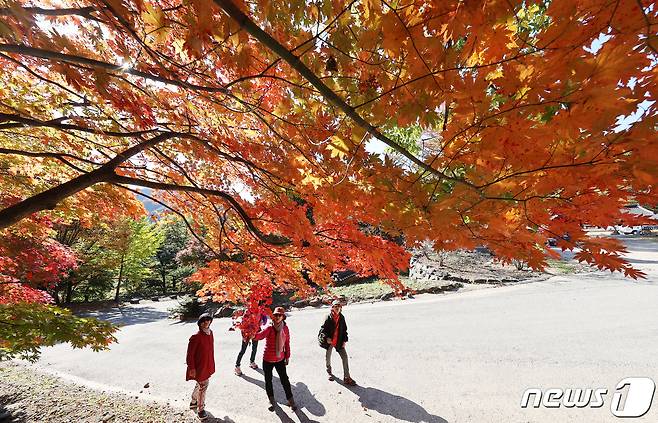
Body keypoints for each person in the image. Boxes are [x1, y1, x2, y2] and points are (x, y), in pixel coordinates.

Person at [254, 306, 297, 411]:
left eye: (280, 315)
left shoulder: (285, 329)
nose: (277, 317)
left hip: (280, 359)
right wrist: (251, 333)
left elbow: (287, 343)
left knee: (285, 380)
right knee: (268, 380)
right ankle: (271, 399)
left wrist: (287, 356)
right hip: (268, 359)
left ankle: (290, 400)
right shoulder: (269, 328)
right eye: (276, 315)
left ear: (283, 317)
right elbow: (258, 336)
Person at [186, 313, 215, 420]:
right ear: (199, 323)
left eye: (208, 320)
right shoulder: (195, 337)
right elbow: (190, 355)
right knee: (204, 386)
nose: (206, 322)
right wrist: (192, 368)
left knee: (200, 384)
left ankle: (193, 401)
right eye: (204, 321)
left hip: (208, 364)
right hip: (199, 367)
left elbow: (210, 350)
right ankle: (201, 410)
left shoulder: (210, 333)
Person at [321, 300, 356, 386]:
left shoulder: (342, 317)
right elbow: (323, 330)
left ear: (341, 308)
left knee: (345, 357)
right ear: (332, 308)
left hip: (339, 340)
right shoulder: (328, 317)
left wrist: (344, 340)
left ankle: (347, 377)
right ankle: (329, 371)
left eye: (339, 306)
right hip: (330, 341)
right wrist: (327, 338)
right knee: (328, 356)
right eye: (335, 306)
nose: (337, 308)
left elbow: (344, 330)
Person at [235, 308, 268, 376]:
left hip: (255, 331)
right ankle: (237, 366)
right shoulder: (248, 310)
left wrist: (262, 321)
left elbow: (264, 319)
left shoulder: (259, 310)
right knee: (243, 350)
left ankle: (252, 361)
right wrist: (247, 332)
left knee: (254, 347)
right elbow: (243, 323)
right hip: (246, 332)